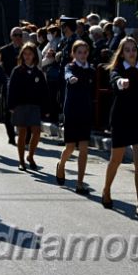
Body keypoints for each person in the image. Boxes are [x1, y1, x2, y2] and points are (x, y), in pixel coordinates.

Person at [102, 37, 138, 220]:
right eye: (128, 50)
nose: (131, 52)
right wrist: (120, 82)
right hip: (121, 119)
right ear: (122, 53)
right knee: (116, 159)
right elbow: (115, 79)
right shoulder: (117, 70)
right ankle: (106, 190)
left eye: (133, 50)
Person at [56, 40, 95, 195]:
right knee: (70, 147)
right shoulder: (70, 67)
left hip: (85, 111)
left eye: (85, 52)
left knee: (84, 147)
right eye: (79, 52)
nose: (83, 55)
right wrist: (70, 78)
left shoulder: (91, 70)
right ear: (74, 53)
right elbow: (67, 74)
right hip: (72, 111)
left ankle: (79, 183)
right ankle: (61, 165)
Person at [8, 42, 49, 171]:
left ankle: (30, 155)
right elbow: (12, 89)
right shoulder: (17, 70)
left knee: (36, 131)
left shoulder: (38, 72)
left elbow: (44, 91)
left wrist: (47, 108)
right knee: (22, 133)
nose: (27, 56)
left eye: (30, 54)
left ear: (34, 56)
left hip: (34, 106)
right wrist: (11, 105)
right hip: (20, 106)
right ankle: (21, 161)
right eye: (25, 54)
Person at [0, 26, 25, 144]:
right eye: (15, 35)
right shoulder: (4, 50)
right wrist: (5, 79)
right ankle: (11, 136)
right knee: (8, 111)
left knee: (23, 110)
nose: (18, 37)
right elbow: (1, 68)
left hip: (22, 85)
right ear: (11, 36)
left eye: (20, 35)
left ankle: (23, 136)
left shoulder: (26, 50)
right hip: (9, 84)